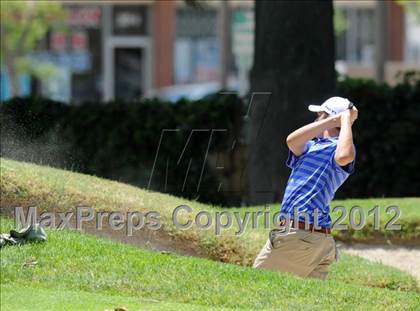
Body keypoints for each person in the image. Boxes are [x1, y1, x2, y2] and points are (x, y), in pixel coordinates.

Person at [253, 96, 358, 279]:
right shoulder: (310, 147)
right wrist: (333, 120)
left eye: (319, 116)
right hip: (312, 238)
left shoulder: (338, 148)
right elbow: (291, 141)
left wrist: (344, 120)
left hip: (300, 235)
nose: (315, 120)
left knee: (255, 284)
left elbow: (344, 157)